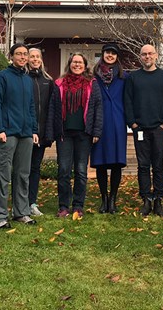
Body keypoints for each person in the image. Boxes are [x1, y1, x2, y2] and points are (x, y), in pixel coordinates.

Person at [46, 53, 103, 218]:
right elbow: (52, 109)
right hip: (64, 134)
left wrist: (96, 131)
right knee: (63, 170)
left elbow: (98, 108)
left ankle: (78, 205)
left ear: (85, 66)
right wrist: (51, 132)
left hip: (85, 134)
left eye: (80, 62)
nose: (77, 65)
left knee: (80, 171)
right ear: (69, 64)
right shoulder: (59, 83)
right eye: (74, 62)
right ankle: (63, 206)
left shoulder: (92, 84)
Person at [0, 43, 39, 229]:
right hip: (7, 132)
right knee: (3, 174)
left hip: (26, 133)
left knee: (23, 174)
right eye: (18, 54)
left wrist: (34, 130)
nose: (22, 57)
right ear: (11, 56)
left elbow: (31, 107)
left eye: (25, 54)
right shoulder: (2, 77)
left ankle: (21, 212)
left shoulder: (27, 80)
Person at [124, 44, 163, 217]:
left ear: (156, 55)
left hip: (158, 129)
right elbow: (127, 101)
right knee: (143, 165)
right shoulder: (133, 78)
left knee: (158, 165)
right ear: (140, 56)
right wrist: (133, 123)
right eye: (144, 54)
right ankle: (146, 199)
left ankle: (158, 199)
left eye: (150, 53)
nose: (147, 57)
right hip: (140, 129)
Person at [91, 43, 127, 214]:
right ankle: (103, 198)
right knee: (100, 163)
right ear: (102, 54)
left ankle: (113, 198)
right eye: (107, 53)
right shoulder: (94, 77)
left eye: (113, 53)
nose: (110, 55)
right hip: (100, 122)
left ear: (117, 56)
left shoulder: (123, 77)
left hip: (118, 122)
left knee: (116, 163)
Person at [26, 48, 54, 217]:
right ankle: (19, 202)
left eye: (38, 57)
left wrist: (48, 133)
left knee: (35, 168)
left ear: (41, 60)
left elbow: (51, 109)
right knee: (23, 169)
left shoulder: (48, 81)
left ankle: (32, 202)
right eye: (32, 56)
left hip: (42, 133)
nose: (35, 59)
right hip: (25, 132)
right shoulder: (23, 78)